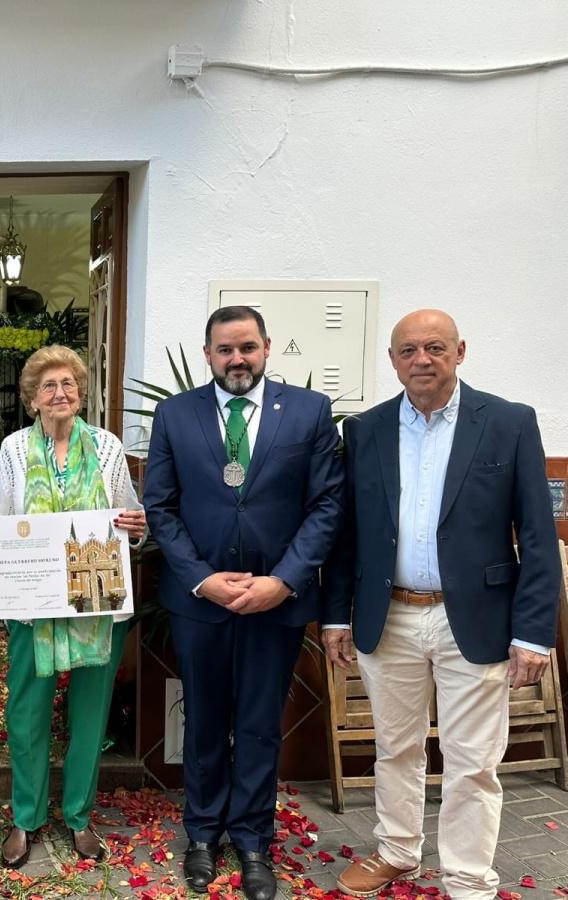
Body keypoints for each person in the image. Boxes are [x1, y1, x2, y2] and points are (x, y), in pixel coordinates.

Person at [323, 309, 560, 899]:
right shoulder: (367, 430)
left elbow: (536, 534)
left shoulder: (508, 422)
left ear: (460, 351)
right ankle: (398, 852)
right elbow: (346, 532)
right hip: (390, 615)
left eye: (434, 347)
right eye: (408, 350)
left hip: (475, 620)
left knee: (473, 760)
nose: (421, 359)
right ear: (393, 361)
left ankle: (468, 879)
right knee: (394, 748)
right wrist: (334, 614)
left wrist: (534, 632)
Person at [142, 307, 343, 900]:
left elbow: (327, 505)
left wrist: (283, 581)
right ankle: (202, 834)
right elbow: (162, 506)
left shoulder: (308, 412)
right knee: (203, 719)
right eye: (225, 349)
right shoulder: (175, 414)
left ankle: (253, 838)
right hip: (199, 602)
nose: (238, 359)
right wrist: (202, 579)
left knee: (259, 725)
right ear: (207, 353)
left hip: (275, 603)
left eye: (248, 347)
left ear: (267, 348)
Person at [0, 345, 146, 868]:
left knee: (90, 715)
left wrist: (135, 526)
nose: (60, 393)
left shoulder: (108, 447)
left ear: (81, 393)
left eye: (69, 384)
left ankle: (79, 817)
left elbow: (131, 518)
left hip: (98, 604)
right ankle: (26, 819)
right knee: (27, 715)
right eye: (49, 386)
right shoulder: (15, 450)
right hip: (33, 605)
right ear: (32, 399)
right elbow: (0, 517)